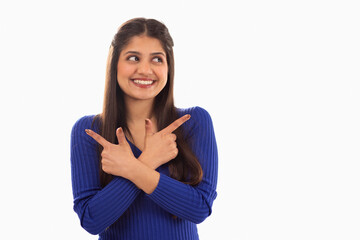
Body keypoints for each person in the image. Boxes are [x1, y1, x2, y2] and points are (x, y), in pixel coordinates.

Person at [70, 18, 218, 239]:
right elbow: (92, 220)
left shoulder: (194, 121)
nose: (145, 69)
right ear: (115, 65)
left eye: (157, 59)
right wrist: (149, 160)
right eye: (133, 58)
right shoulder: (90, 131)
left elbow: (199, 208)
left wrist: (132, 168)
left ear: (168, 67)